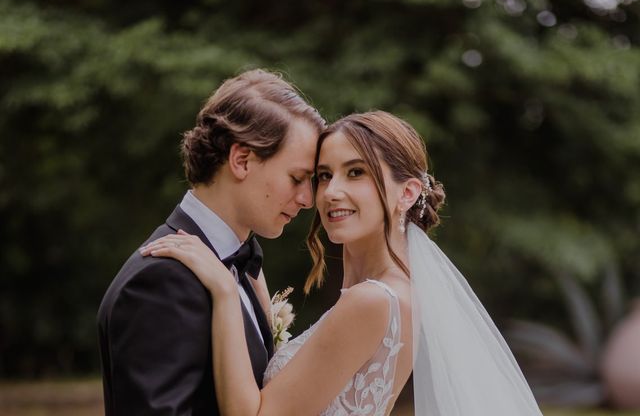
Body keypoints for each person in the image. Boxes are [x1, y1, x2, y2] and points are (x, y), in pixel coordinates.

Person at [141, 111, 543, 415]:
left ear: (408, 193)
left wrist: (226, 294)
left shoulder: (372, 301)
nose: (332, 192)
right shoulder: (400, 293)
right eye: (323, 175)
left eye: (356, 173)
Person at [97, 69, 326, 415]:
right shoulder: (161, 280)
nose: (307, 199)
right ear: (241, 160)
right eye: (297, 178)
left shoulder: (240, 266)